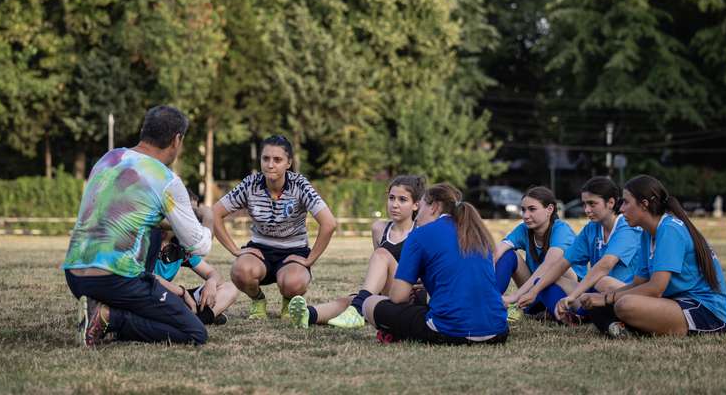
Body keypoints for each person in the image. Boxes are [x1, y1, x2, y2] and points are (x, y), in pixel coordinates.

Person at [63, 105, 213, 346]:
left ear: (144, 131)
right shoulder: (166, 180)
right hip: (116, 279)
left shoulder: (109, 158)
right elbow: (199, 245)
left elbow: (123, 214)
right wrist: (209, 218)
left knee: (154, 309)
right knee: (195, 333)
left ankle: (100, 308)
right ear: (177, 140)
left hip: (75, 276)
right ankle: (110, 317)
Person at [577, 175, 726, 337]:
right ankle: (618, 327)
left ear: (644, 205)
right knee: (602, 296)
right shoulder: (646, 233)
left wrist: (607, 299)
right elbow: (638, 284)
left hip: (705, 311)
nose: (621, 208)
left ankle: (619, 325)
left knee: (624, 304)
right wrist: (603, 297)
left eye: (626, 202)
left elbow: (656, 289)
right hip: (676, 301)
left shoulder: (669, 229)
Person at [362, 183, 509, 345]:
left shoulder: (419, 234)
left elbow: (398, 298)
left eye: (422, 206)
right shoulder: (477, 233)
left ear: (434, 207)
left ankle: (394, 333)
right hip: (498, 331)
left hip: (451, 332)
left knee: (369, 303)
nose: (417, 215)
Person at [212, 135, 337, 320]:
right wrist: (234, 250)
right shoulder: (250, 184)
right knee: (240, 271)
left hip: (293, 250)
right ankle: (258, 300)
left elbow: (329, 223)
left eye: (277, 160)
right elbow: (215, 213)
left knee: (293, 282)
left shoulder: (300, 185)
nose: (270, 165)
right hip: (259, 250)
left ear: (289, 163)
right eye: (266, 159)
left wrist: (309, 260)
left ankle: (289, 302)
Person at [288, 175, 426, 329]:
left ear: (415, 205)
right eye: (392, 198)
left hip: (408, 296)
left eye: (402, 200)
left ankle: (358, 310)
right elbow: (380, 273)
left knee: (381, 254)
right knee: (348, 301)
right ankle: (308, 315)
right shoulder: (379, 229)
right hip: (387, 293)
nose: (395, 204)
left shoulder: (422, 233)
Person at [506, 177, 641, 324]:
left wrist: (572, 296)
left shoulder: (627, 228)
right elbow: (563, 263)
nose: (586, 210)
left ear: (610, 203)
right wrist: (533, 291)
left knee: (603, 281)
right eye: (584, 204)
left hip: (626, 294)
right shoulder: (591, 228)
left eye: (592, 204)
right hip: (596, 293)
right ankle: (573, 317)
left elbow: (605, 265)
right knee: (545, 279)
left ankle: (584, 314)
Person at [496, 186, 585, 321]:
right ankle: (490, 301)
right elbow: (498, 251)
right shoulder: (524, 229)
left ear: (549, 209)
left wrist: (515, 296)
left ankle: (566, 313)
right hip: (536, 290)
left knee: (555, 265)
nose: (525, 215)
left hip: (570, 292)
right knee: (508, 254)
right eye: (523, 210)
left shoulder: (561, 229)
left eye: (532, 209)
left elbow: (550, 265)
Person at [151, 211, 239, 327]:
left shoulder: (180, 248)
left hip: (171, 298)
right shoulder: (146, 240)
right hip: (147, 298)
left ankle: (198, 320)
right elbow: (147, 277)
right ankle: (196, 319)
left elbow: (211, 272)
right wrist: (182, 292)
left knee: (230, 288)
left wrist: (211, 282)